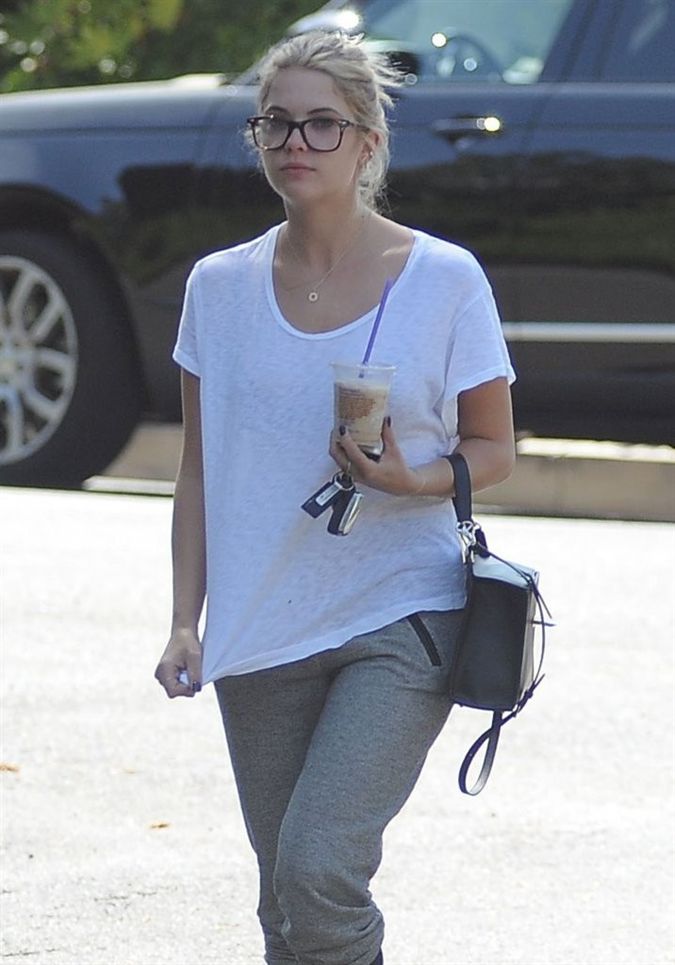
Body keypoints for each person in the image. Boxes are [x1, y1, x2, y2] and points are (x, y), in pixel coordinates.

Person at [154, 28, 516, 965]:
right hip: (261, 629)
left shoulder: (444, 279)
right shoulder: (217, 288)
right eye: (275, 123)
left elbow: (494, 449)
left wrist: (410, 478)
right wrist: (186, 620)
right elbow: (199, 469)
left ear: (367, 143)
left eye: (322, 124)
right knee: (284, 901)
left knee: (318, 870)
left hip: (401, 612)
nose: (295, 142)